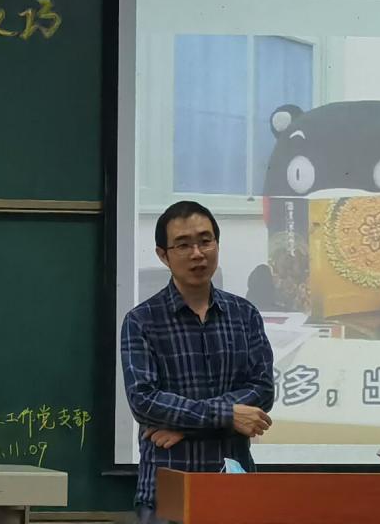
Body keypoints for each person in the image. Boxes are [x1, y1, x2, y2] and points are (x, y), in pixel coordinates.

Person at [120, 200, 275, 524]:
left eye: (205, 241)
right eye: (183, 245)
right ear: (163, 255)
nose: (197, 253)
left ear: (217, 244)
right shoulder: (142, 321)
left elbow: (262, 390)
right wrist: (228, 415)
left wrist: (183, 426)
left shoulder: (244, 315)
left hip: (234, 489)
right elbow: (144, 401)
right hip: (166, 494)